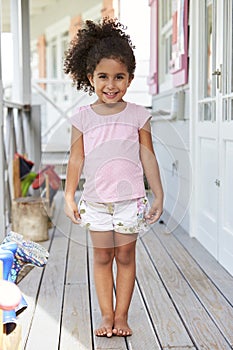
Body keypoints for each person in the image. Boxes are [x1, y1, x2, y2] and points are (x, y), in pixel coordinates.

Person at [64, 17, 163, 338]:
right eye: (103, 76)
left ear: (130, 79)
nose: (111, 84)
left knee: (125, 256)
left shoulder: (138, 115)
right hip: (95, 202)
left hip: (130, 201)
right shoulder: (82, 118)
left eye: (119, 77)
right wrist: (68, 196)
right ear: (90, 77)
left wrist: (158, 194)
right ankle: (106, 315)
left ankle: (122, 317)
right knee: (103, 256)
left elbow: (148, 155)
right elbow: (76, 158)